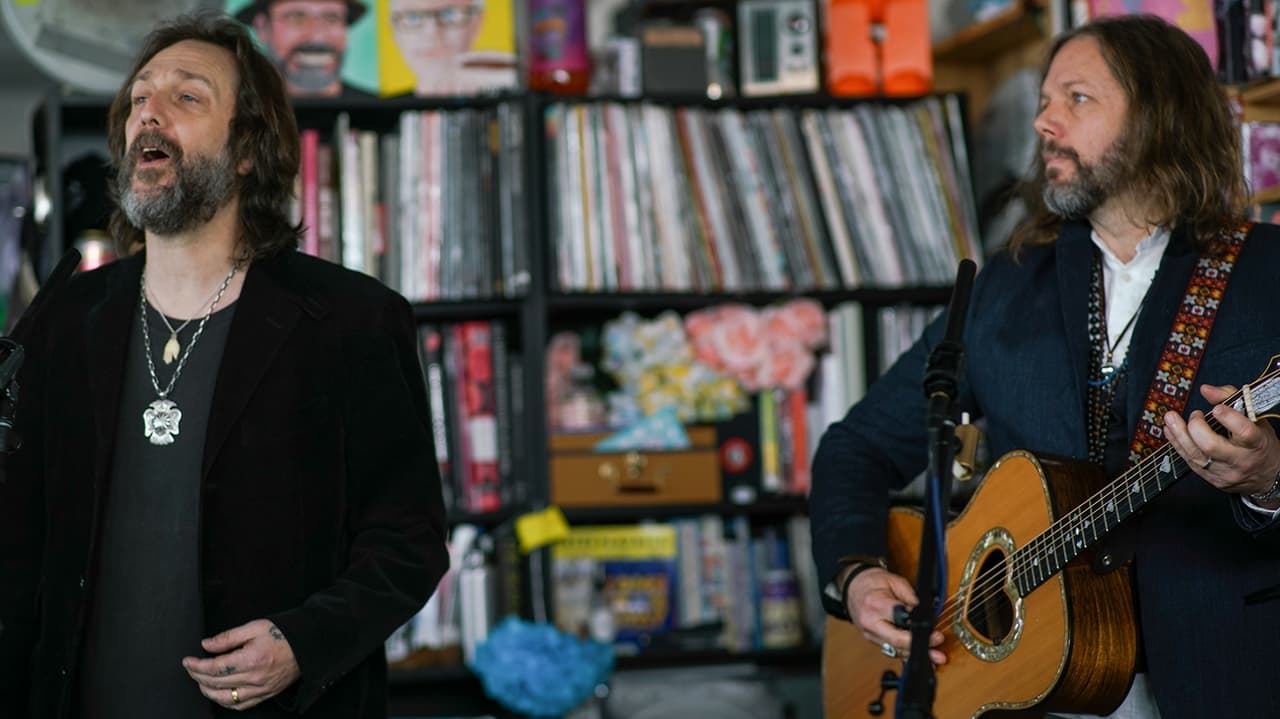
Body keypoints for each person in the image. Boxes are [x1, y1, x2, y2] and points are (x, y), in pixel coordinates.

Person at [810, 14, 1280, 719]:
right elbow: (856, 446)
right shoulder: (1004, 286)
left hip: (1229, 675)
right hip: (1027, 691)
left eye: (1077, 99)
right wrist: (858, 573)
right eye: (1042, 102)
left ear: (1160, 116)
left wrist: (1271, 479)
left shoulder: (1267, 271)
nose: (1044, 124)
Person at [0, 11, 449, 718]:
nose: (149, 113)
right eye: (139, 98)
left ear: (246, 149)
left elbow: (409, 542)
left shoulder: (352, 322)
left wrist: (303, 640)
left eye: (187, 97)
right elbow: (16, 545)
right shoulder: (63, 319)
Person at [235, 0, 377, 98]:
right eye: (296, 18)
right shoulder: (239, 113)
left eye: (331, 18)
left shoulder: (382, 114)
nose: (317, 36)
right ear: (262, 28)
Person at [388, 0, 516, 97]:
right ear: (393, 30)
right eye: (412, 17)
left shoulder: (513, 90)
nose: (432, 33)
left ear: (477, 22)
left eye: (449, 13)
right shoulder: (380, 116)